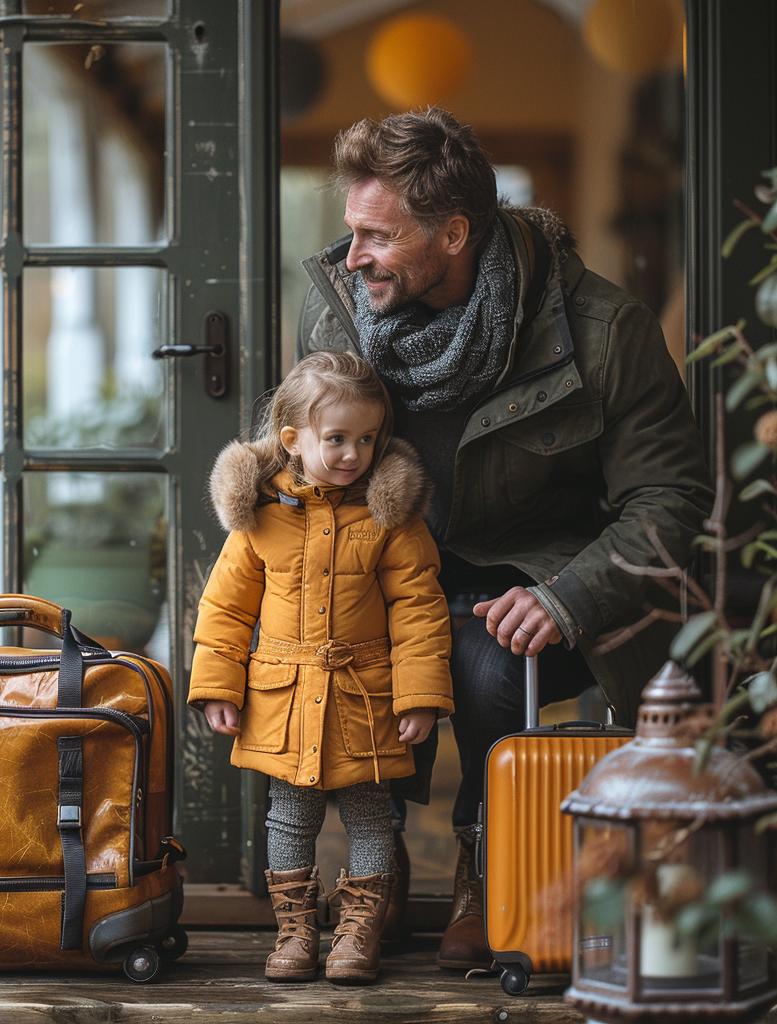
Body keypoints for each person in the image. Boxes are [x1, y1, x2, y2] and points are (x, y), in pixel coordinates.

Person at [297, 108, 714, 969]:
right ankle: (373, 873)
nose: (353, 257)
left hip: (545, 577)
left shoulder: (601, 329)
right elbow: (301, 450)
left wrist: (569, 598)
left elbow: (671, 498)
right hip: (395, 570)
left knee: (486, 665)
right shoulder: (343, 312)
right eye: (351, 232)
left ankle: (487, 870)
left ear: (453, 233)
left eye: (377, 235)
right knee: (325, 641)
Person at [188, 350, 454, 984]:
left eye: (367, 439)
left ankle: (360, 933)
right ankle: (295, 931)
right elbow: (224, 608)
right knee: (290, 815)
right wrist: (219, 687)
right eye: (336, 439)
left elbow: (418, 606)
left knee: (371, 814)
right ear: (293, 440)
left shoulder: (391, 519)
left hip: (364, 695)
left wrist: (417, 696)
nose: (352, 454)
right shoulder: (261, 520)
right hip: (283, 695)